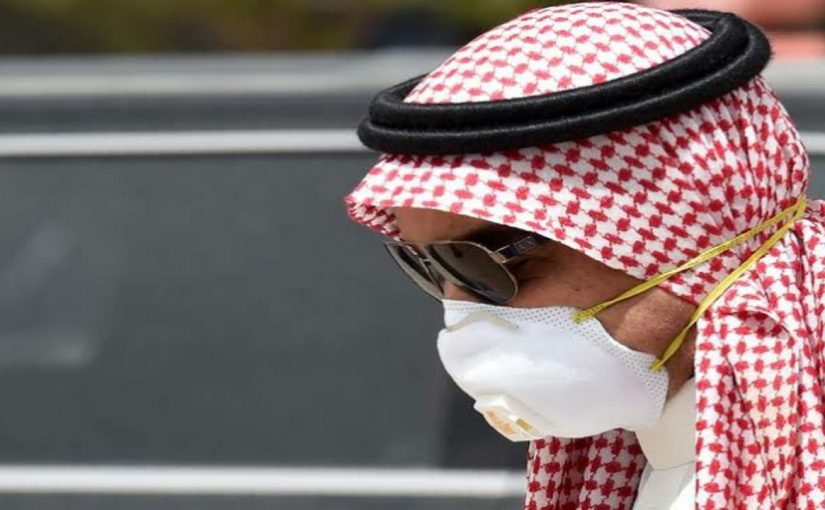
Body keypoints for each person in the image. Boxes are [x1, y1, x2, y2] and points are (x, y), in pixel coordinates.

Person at [343, 3, 825, 509]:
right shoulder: (656, 454)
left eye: (481, 262)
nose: (460, 316)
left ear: (669, 231)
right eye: (427, 266)